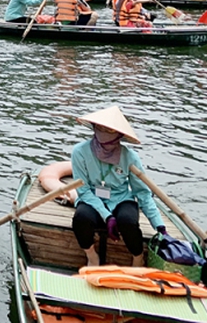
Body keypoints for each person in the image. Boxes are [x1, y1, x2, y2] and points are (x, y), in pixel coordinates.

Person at [71, 105, 165, 267]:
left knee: (128, 221)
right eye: (100, 128)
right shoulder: (80, 152)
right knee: (81, 218)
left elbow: (142, 192)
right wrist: (107, 216)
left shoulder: (130, 157)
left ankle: (137, 257)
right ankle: (91, 255)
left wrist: (159, 226)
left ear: (119, 136)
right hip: (92, 198)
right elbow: (83, 190)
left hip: (120, 198)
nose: (104, 134)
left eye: (110, 130)